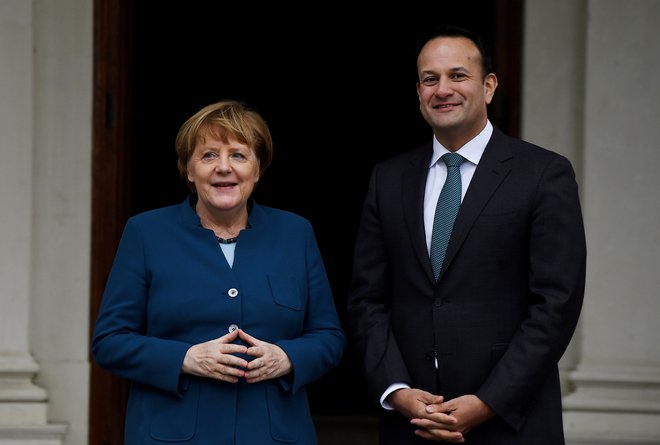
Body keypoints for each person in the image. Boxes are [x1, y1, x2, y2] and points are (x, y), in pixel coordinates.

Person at [346, 24, 586, 444]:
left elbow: (555, 304)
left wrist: (489, 401)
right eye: (429, 79)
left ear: (489, 86)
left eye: (458, 75)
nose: (443, 89)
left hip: (511, 422)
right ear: (417, 91)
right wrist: (396, 390)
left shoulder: (544, 174)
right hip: (412, 423)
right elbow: (367, 300)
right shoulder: (388, 179)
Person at [91, 99, 346, 445]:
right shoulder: (146, 233)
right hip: (171, 435)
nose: (223, 168)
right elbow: (109, 342)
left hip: (275, 435)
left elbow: (329, 336)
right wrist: (185, 358)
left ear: (257, 169)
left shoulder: (295, 233)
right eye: (209, 155)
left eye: (238, 155)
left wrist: (287, 358)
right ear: (188, 168)